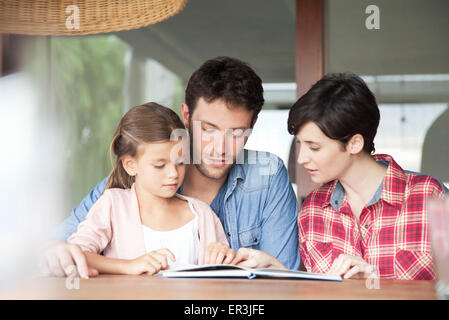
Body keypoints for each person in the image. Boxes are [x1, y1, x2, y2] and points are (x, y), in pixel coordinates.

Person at [40, 57, 300, 278]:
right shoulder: (141, 174)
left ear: (253, 124)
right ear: (186, 115)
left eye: (237, 133)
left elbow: (282, 277)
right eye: (208, 129)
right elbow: (57, 245)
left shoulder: (266, 176)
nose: (220, 148)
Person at [232, 73, 447, 280]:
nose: (301, 159)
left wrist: (378, 285)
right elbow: (315, 294)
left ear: (354, 143)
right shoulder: (313, 212)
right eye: (300, 144)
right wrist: (276, 269)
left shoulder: (429, 197)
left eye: (314, 147)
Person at [44, 102, 233, 277]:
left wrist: (223, 256)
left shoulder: (201, 213)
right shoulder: (113, 204)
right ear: (130, 165)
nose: (173, 174)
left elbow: (222, 269)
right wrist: (129, 266)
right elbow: (77, 253)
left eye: (181, 162)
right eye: (160, 165)